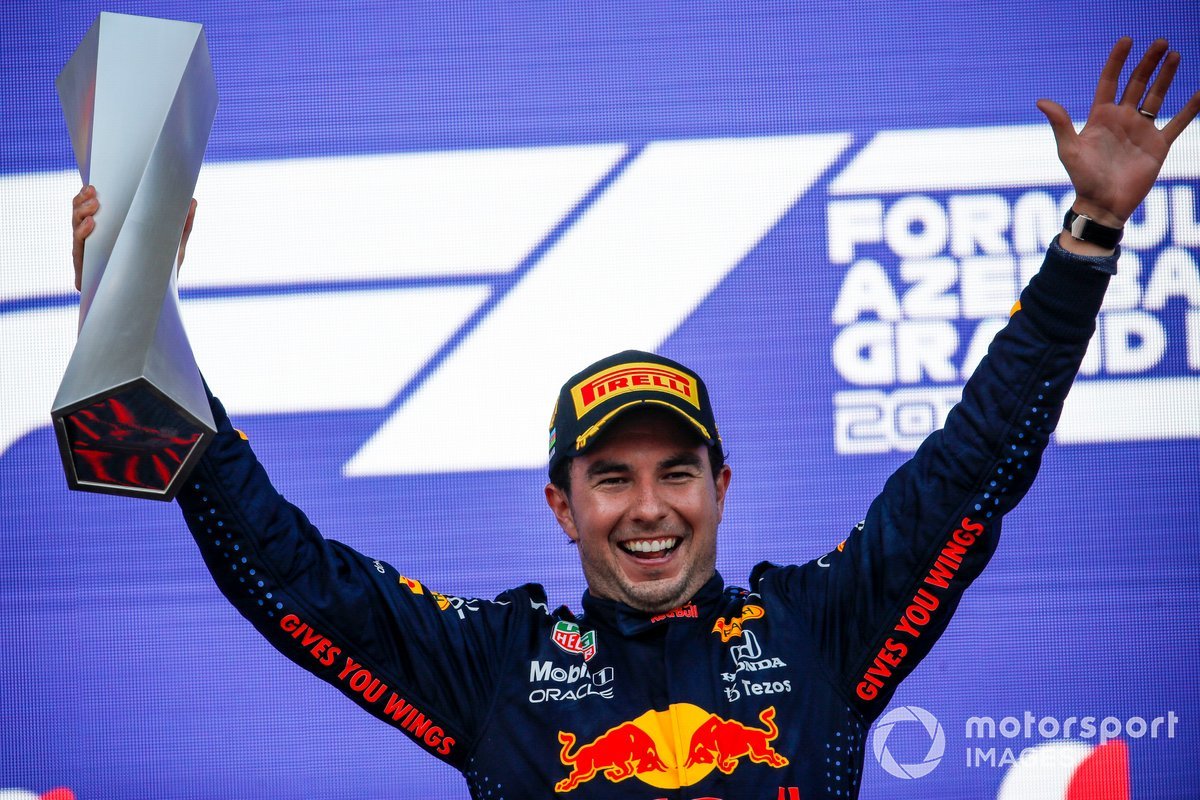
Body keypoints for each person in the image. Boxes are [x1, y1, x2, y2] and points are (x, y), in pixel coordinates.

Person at [69, 38, 1199, 799]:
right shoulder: (495, 668)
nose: (648, 505)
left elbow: (975, 464)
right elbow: (287, 573)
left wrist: (1090, 237)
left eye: (676, 470)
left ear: (720, 488)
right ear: (562, 506)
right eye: (611, 476)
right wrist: (138, 319)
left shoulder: (818, 633)